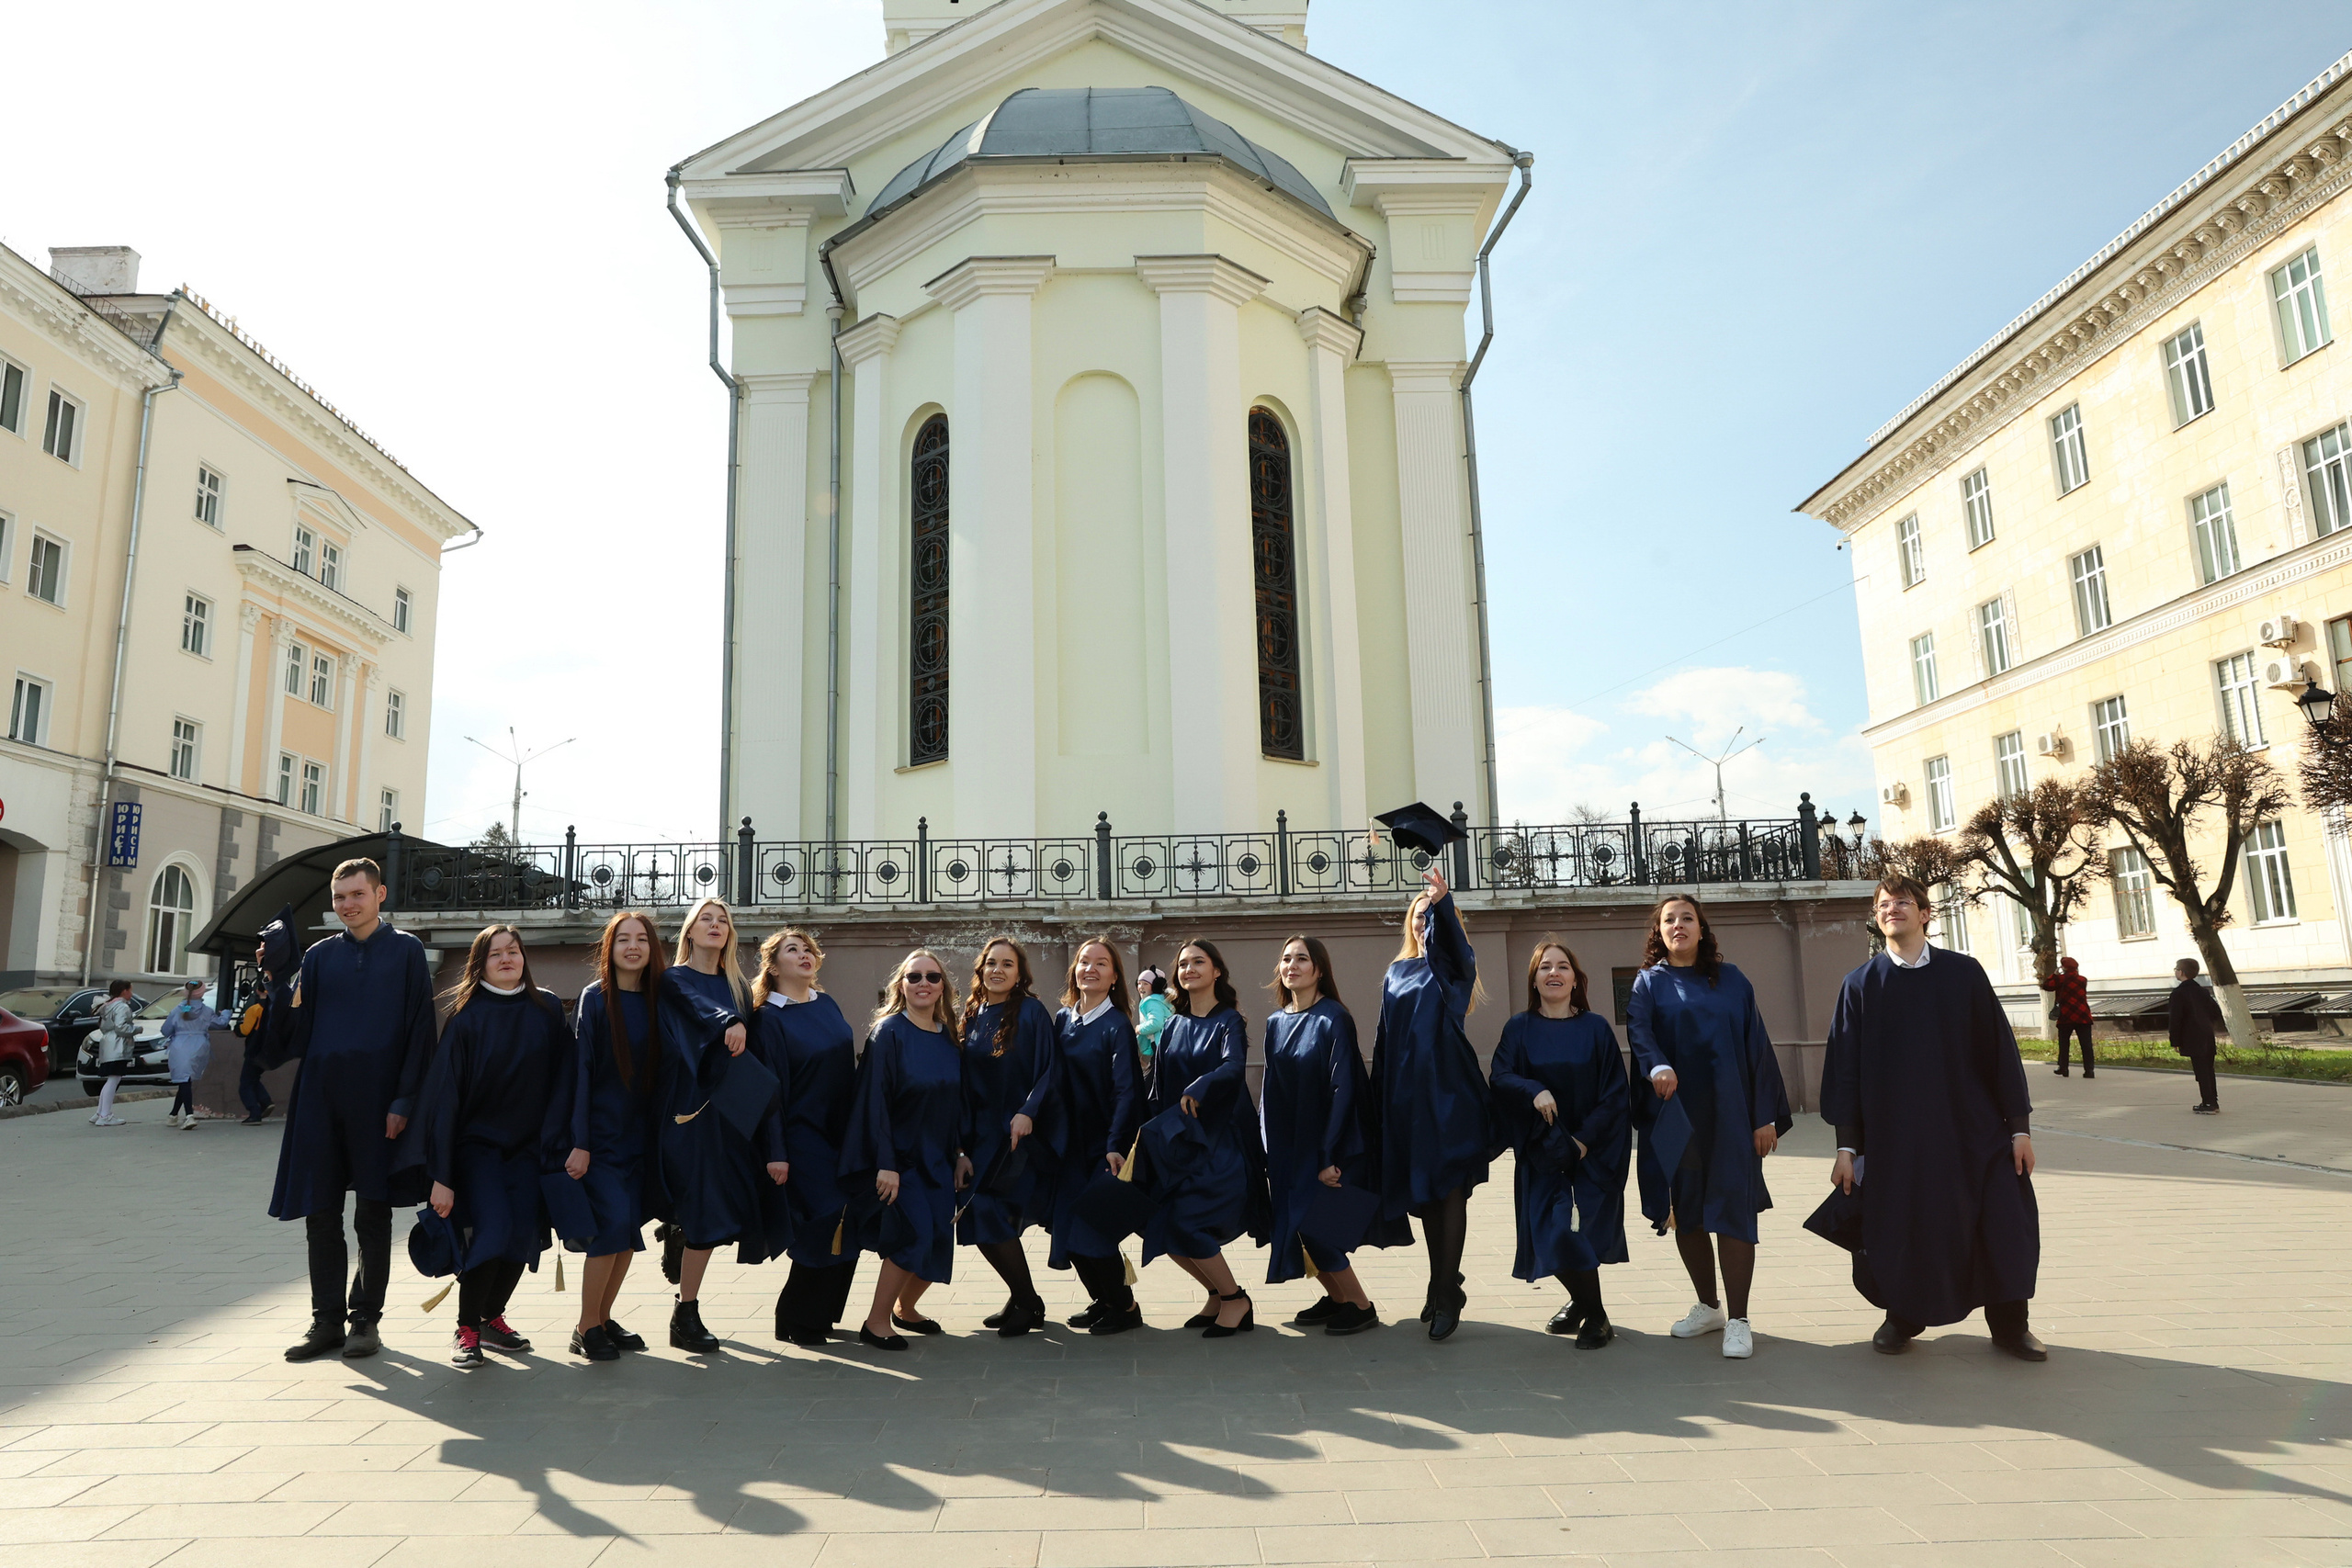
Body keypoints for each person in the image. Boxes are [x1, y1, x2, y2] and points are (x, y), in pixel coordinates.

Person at [1823, 875, 2044, 1361]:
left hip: (1976, 1134)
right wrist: (1847, 1147)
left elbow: (1999, 1053)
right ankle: (1902, 1317)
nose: (1892, 908)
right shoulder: (1860, 985)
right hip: (1899, 1141)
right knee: (1907, 1229)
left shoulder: (1964, 974)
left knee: (2004, 1224)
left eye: (1903, 901)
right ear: (1876, 918)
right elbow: (1844, 1070)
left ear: (1925, 913)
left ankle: (2011, 1326)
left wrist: (2019, 1128)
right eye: (1883, 904)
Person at [268, 858, 435, 1362]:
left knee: (372, 1212)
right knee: (320, 1212)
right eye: (340, 898)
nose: (347, 906)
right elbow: (293, 1036)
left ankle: (365, 1319)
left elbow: (420, 1034)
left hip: (381, 1104)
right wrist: (277, 979)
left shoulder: (407, 952)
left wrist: (404, 1100)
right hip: (320, 1099)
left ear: (380, 894)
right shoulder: (318, 957)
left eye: (357, 895)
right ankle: (326, 1322)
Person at [1628, 894, 1792, 1360]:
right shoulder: (1648, 984)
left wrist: (1764, 1115)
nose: (1677, 925)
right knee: (1687, 1210)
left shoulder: (1733, 981)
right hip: (1676, 1115)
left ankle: (1739, 1319)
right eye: (1668, 920)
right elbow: (1639, 1034)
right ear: (1658, 933)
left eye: (1686, 918)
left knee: (1734, 1210)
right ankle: (1709, 1306)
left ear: (1702, 929)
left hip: (1732, 1115)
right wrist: (1656, 1066)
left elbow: (1757, 1046)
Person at [424, 925, 573, 1368]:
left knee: (523, 1237)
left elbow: (566, 1077)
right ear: (480, 964)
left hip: (532, 1148)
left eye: (513, 951)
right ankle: (466, 1328)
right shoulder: (466, 1017)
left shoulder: (546, 1009)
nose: (506, 959)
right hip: (479, 1148)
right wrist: (441, 1176)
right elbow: (445, 1101)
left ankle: (491, 1318)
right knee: (492, 1230)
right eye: (495, 954)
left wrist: (567, 1141)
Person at [654, 897, 790, 1353]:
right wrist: (727, 1020)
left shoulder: (738, 987)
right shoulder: (672, 980)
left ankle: (680, 1246)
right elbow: (694, 1009)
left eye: (723, 921)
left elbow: (756, 1052)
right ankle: (685, 1312)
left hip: (732, 1117)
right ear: (689, 931)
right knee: (704, 1211)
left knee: (716, 1212)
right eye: (705, 920)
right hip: (689, 1115)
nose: (715, 926)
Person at [1368, 867, 1496, 1342]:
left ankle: (1445, 1291)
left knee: (1448, 1191)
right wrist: (1379, 1097)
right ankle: (1441, 1281)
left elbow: (1457, 953)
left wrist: (1442, 899)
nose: (1425, 924)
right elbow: (1384, 1038)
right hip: (1406, 1097)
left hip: (1450, 1096)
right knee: (1423, 1196)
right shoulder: (1396, 971)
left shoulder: (1455, 967)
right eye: (1419, 917)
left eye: (1434, 919)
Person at [1489, 939, 1631, 1349]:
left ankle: (1589, 1309)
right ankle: (1594, 1309)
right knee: (1550, 1231)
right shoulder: (1519, 1027)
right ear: (1534, 979)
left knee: (1580, 1233)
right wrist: (1533, 1089)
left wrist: (1583, 1141)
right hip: (1542, 1151)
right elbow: (1500, 1077)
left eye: (1563, 966)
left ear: (1575, 979)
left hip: (1592, 1149)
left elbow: (1614, 1094)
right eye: (1545, 967)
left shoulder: (1596, 1028)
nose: (1554, 973)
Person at [842, 950, 969, 1349]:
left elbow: (957, 1101)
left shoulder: (949, 1037)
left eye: (933, 977)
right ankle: (876, 1321)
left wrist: (961, 1151)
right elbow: (874, 1102)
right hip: (902, 1158)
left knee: (936, 1242)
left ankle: (905, 1308)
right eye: (914, 977)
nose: (924, 984)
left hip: (940, 1157)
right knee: (910, 1237)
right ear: (901, 985)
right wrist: (886, 1163)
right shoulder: (888, 1032)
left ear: (944, 988)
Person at [1141, 939, 1268, 1339]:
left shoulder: (1229, 1020)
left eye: (1199, 962)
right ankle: (1216, 1293)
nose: (1189, 968)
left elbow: (1233, 1066)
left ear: (1216, 972)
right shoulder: (1173, 1023)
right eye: (1183, 964)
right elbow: (1157, 1086)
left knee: (1188, 1222)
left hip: (1219, 1142)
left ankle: (1236, 1299)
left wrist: (1201, 1084)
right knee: (1162, 1225)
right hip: (1179, 1142)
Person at [1261, 935, 1381, 1336]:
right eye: (1286, 958)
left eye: (1302, 959)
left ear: (1319, 969)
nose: (1292, 965)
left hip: (1324, 1142)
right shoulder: (1275, 1021)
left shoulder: (1334, 1018)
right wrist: (1266, 1146)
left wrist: (1330, 1153)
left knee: (1319, 1227)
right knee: (1295, 1226)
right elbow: (1269, 1088)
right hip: (1285, 1144)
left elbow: (1342, 1088)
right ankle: (1338, 1299)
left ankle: (1361, 1306)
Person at [752, 928, 865, 1348]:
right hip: (800, 1136)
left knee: (848, 1218)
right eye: (792, 950)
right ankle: (796, 1315)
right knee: (823, 1217)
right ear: (774, 964)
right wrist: (776, 1152)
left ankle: (821, 1315)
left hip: (841, 1133)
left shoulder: (827, 1003)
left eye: (808, 950)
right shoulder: (768, 1017)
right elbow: (771, 1091)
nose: (803, 955)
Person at [562, 911, 666, 1362]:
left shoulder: (659, 997)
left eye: (641, 939)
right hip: (601, 1138)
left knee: (626, 1233)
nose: (632, 947)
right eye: (623, 939)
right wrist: (580, 1141)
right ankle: (586, 1326)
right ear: (610, 948)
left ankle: (602, 1319)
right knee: (609, 1230)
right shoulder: (595, 998)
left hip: (642, 1137)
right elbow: (581, 1071)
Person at [957, 937, 1061, 1337]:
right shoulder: (971, 1013)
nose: (997, 970)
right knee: (979, 1216)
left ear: (1020, 974)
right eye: (991, 963)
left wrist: (1028, 1112)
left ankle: (1027, 1300)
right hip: (980, 1135)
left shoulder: (1032, 1012)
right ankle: (1022, 1297)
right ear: (981, 969)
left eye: (1008, 964)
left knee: (990, 1213)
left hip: (1018, 1133)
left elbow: (1049, 1069)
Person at [1045, 937, 1145, 1335]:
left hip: (1103, 1148)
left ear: (1114, 976)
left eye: (1101, 964)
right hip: (1068, 1145)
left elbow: (1126, 1090)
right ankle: (1103, 1300)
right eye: (1084, 962)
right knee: (1067, 1231)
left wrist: (1115, 1145)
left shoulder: (1117, 1023)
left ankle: (1125, 1306)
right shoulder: (1063, 1019)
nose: (1091, 968)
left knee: (1093, 1232)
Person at [2167, 956, 2225, 1115]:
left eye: (2176, 969)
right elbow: (2215, 1012)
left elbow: (2175, 1019)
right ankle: (2213, 1101)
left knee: (2201, 1071)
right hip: (2206, 1034)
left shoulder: (2178, 994)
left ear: (2181, 972)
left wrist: (2175, 1040)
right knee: (2208, 1069)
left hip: (2191, 1036)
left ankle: (2208, 1103)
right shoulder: (2202, 992)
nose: (2175, 972)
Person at [162, 979, 220, 1131]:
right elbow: (220, 1024)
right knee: (186, 1081)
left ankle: (189, 1115)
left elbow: (165, 1030)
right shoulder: (206, 1011)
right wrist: (227, 1014)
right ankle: (173, 1115)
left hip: (180, 1046)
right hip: (200, 1046)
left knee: (184, 1080)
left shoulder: (177, 1010)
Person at [89, 979, 138, 1128]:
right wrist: (137, 1029)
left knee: (111, 1079)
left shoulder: (107, 1006)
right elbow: (121, 1028)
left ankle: (100, 1112)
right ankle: (105, 1115)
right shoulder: (122, 1007)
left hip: (108, 1044)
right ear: (124, 991)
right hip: (118, 1046)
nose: (132, 993)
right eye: (130, 990)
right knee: (114, 1079)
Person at [2041, 956, 2095, 1079]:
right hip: (2083, 1016)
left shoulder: (2060, 979)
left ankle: (2063, 1068)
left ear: (2063, 967)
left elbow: (2046, 986)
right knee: (2086, 1045)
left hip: (2066, 1016)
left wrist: (2054, 975)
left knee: (2064, 1044)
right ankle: (2089, 1071)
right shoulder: (2083, 980)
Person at [1136, 967, 1174, 1064]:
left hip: (1161, 1044)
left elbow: (1156, 1023)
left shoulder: (1151, 1001)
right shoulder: (1162, 999)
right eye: (1139, 983)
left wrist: (1139, 1029)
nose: (1141, 987)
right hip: (1168, 1043)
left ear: (1155, 986)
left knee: (1153, 1076)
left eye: (1145, 983)